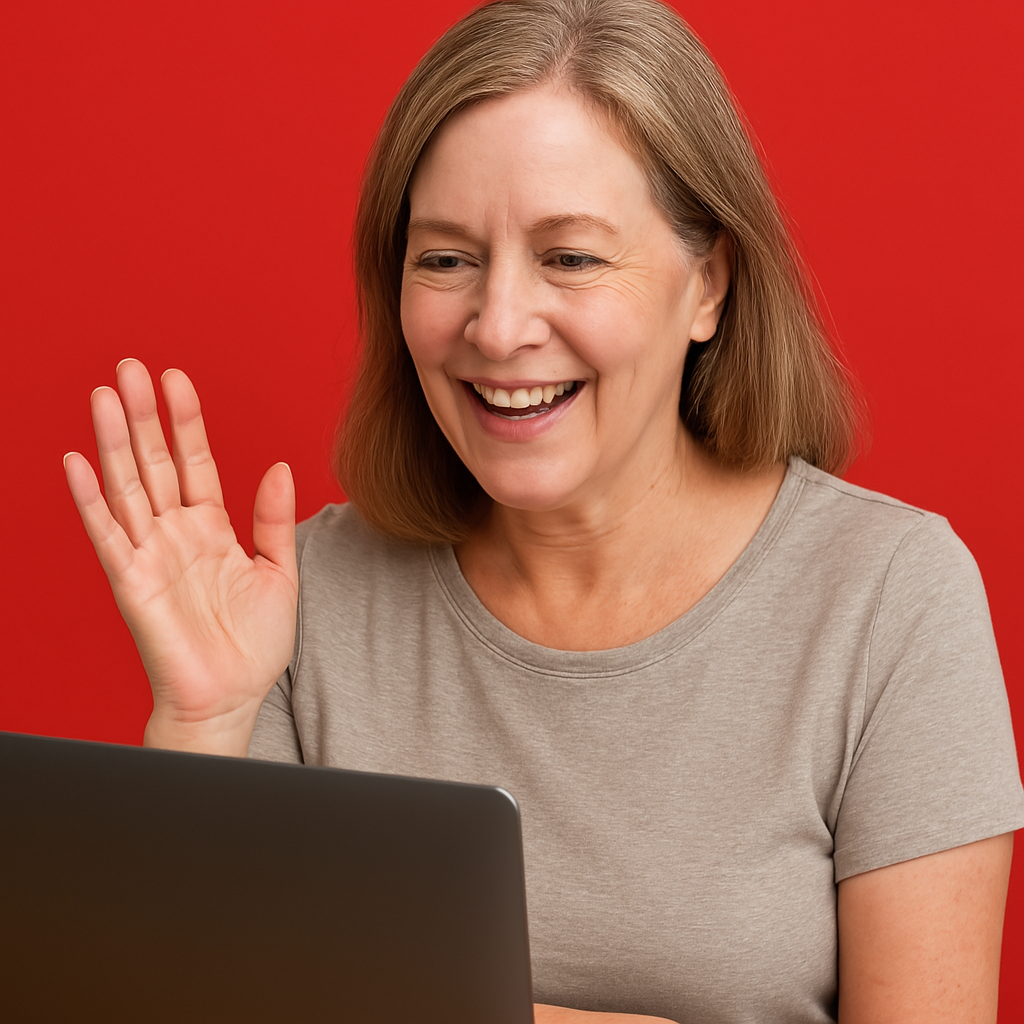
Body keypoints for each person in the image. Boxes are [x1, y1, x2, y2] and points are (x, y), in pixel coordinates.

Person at [63, 0, 1022, 1021]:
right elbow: (199, 1000)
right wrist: (205, 723)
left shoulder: (888, 599)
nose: (498, 323)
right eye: (444, 259)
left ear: (709, 285)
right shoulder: (294, 606)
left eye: (569, 256)